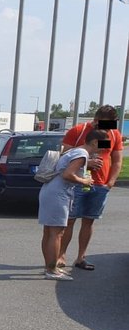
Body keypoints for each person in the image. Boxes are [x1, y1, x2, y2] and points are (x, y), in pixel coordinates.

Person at [58, 105, 123, 271]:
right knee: (70, 221)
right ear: (95, 119)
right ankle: (61, 256)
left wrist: (111, 182)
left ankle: (81, 257)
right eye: (101, 123)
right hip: (77, 182)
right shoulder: (79, 130)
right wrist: (87, 160)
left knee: (89, 221)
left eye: (109, 123)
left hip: (100, 184)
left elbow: (117, 159)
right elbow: (65, 153)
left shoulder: (114, 134)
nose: (104, 127)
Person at [38, 129, 105, 280]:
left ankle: (49, 267)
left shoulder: (75, 150)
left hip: (49, 189)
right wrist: (85, 181)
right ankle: (52, 270)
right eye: (102, 144)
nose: (104, 148)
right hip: (59, 193)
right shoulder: (82, 154)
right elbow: (68, 174)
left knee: (49, 232)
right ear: (94, 142)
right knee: (57, 233)